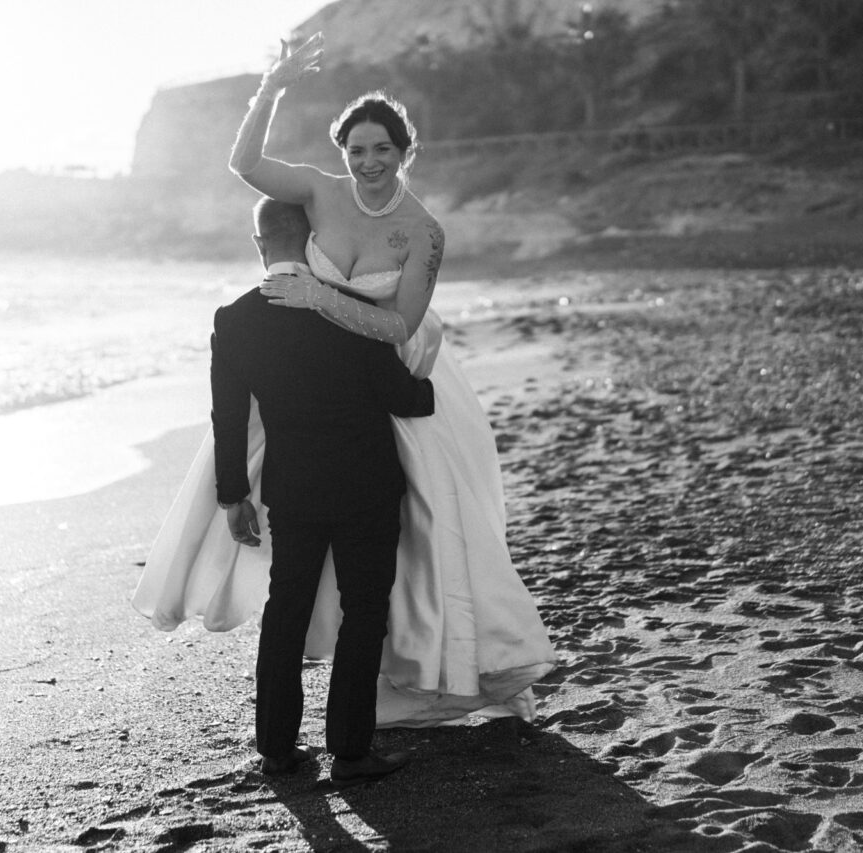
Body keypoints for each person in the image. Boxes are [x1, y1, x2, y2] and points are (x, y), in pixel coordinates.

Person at [133, 33, 556, 729]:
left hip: (392, 376)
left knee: (424, 537)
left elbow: (397, 327)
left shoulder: (423, 232)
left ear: (404, 151)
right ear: (342, 153)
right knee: (293, 549)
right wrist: (273, 85)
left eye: (381, 150)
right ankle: (310, 703)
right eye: (356, 150)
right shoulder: (321, 191)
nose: (367, 163)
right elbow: (244, 165)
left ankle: (424, 673)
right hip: (316, 380)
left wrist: (321, 299)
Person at [210, 197, 435, 785]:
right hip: (367, 484)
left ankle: (278, 750)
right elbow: (399, 396)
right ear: (314, 241)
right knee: (364, 612)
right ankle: (352, 753)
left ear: (259, 244)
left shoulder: (234, 320)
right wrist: (434, 392)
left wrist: (233, 496)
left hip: (294, 490)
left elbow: (227, 419)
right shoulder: (352, 309)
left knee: (286, 609)